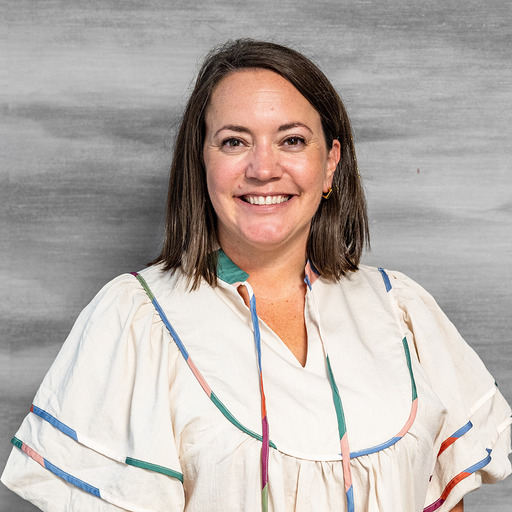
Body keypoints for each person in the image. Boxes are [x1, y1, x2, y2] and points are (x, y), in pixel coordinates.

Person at [1, 39, 511, 512]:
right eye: (233, 142)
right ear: (200, 160)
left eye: (291, 140)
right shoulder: (134, 320)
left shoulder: (402, 310)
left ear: (330, 162)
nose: (263, 168)